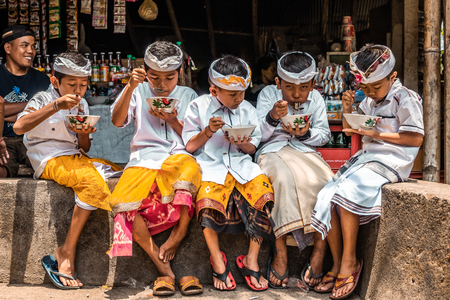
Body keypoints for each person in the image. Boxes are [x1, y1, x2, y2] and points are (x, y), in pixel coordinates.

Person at [311, 44, 424, 299]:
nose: (370, 93)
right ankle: (338, 263)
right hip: (368, 159)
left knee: (350, 189)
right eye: (365, 88)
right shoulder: (370, 100)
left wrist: (377, 133)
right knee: (327, 195)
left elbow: (415, 138)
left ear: (392, 77)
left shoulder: (405, 97)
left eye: (376, 87)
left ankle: (350, 261)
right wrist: (347, 108)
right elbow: (352, 130)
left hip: (392, 162)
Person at [13, 52, 122, 289]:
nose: (78, 90)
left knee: (118, 174)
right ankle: (65, 251)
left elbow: (84, 148)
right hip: (47, 158)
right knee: (92, 182)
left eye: (83, 84)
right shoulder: (42, 99)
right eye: (71, 84)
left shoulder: (81, 104)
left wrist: (84, 133)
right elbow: (19, 127)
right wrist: (55, 106)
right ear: (55, 82)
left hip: (74, 157)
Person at [109, 41, 203, 296]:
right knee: (122, 205)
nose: (162, 84)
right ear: (145, 72)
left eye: (169, 78)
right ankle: (165, 269)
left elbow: (194, 142)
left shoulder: (188, 96)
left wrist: (173, 119)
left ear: (180, 73)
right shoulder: (138, 91)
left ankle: (179, 233)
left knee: (189, 172)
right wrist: (130, 85)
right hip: (143, 159)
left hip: (179, 156)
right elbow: (117, 121)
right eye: (154, 77)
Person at [183, 55, 275, 292]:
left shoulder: (247, 109)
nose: (239, 99)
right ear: (214, 90)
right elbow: (190, 146)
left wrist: (243, 143)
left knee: (264, 194)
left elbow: (252, 148)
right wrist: (207, 131)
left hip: (243, 166)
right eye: (232, 94)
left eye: (242, 93)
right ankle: (217, 260)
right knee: (205, 201)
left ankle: (251, 259)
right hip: (211, 167)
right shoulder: (198, 107)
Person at [255, 51, 334, 289]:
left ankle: (319, 251)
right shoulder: (268, 95)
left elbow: (325, 134)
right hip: (272, 150)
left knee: (329, 182)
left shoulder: (317, 99)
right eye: (289, 87)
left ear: (312, 84)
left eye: (303, 88)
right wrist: (272, 117)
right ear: (278, 82)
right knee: (281, 179)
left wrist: (306, 133)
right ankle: (280, 251)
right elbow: (256, 136)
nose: (297, 94)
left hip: (306, 150)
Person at [0, 25, 50, 178]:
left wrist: (3, 111)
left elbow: (45, 112)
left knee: (52, 170)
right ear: (8, 48)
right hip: (3, 141)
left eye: (33, 46)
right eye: (24, 45)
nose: (31, 51)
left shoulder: (41, 79)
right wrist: (30, 107)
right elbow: (37, 112)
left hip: (33, 139)